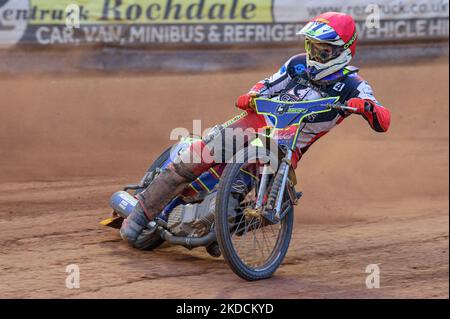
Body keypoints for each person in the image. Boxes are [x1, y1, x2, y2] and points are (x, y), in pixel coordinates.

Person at [119, 12, 391, 247]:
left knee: (229, 203)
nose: (314, 55)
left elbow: (384, 119)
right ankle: (140, 214)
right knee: (197, 156)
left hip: (285, 149)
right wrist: (251, 95)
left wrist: (366, 108)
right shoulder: (297, 64)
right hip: (254, 124)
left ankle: (218, 228)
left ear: (344, 50)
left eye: (322, 51)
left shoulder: (354, 86)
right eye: (311, 47)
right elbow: (267, 84)